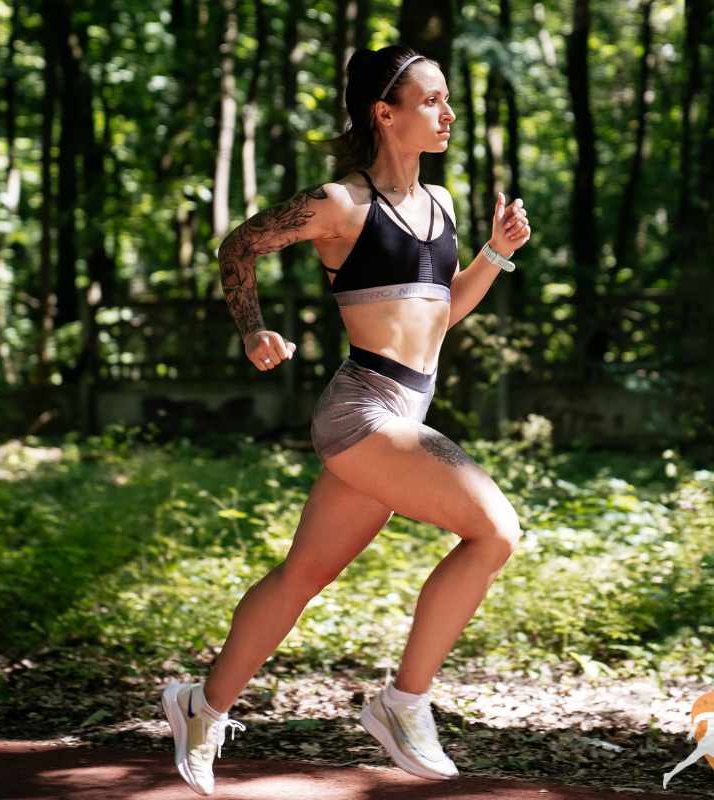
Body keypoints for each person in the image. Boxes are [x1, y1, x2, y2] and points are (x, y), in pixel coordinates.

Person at [160, 44, 533, 796]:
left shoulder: (443, 206)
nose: (447, 114)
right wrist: (252, 328)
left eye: (446, 100)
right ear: (384, 113)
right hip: (362, 409)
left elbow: (439, 317)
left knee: (303, 575)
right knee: (496, 531)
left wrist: (494, 252)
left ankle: (200, 707)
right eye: (431, 101)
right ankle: (402, 704)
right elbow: (241, 244)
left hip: (405, 408)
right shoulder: (341, 204)